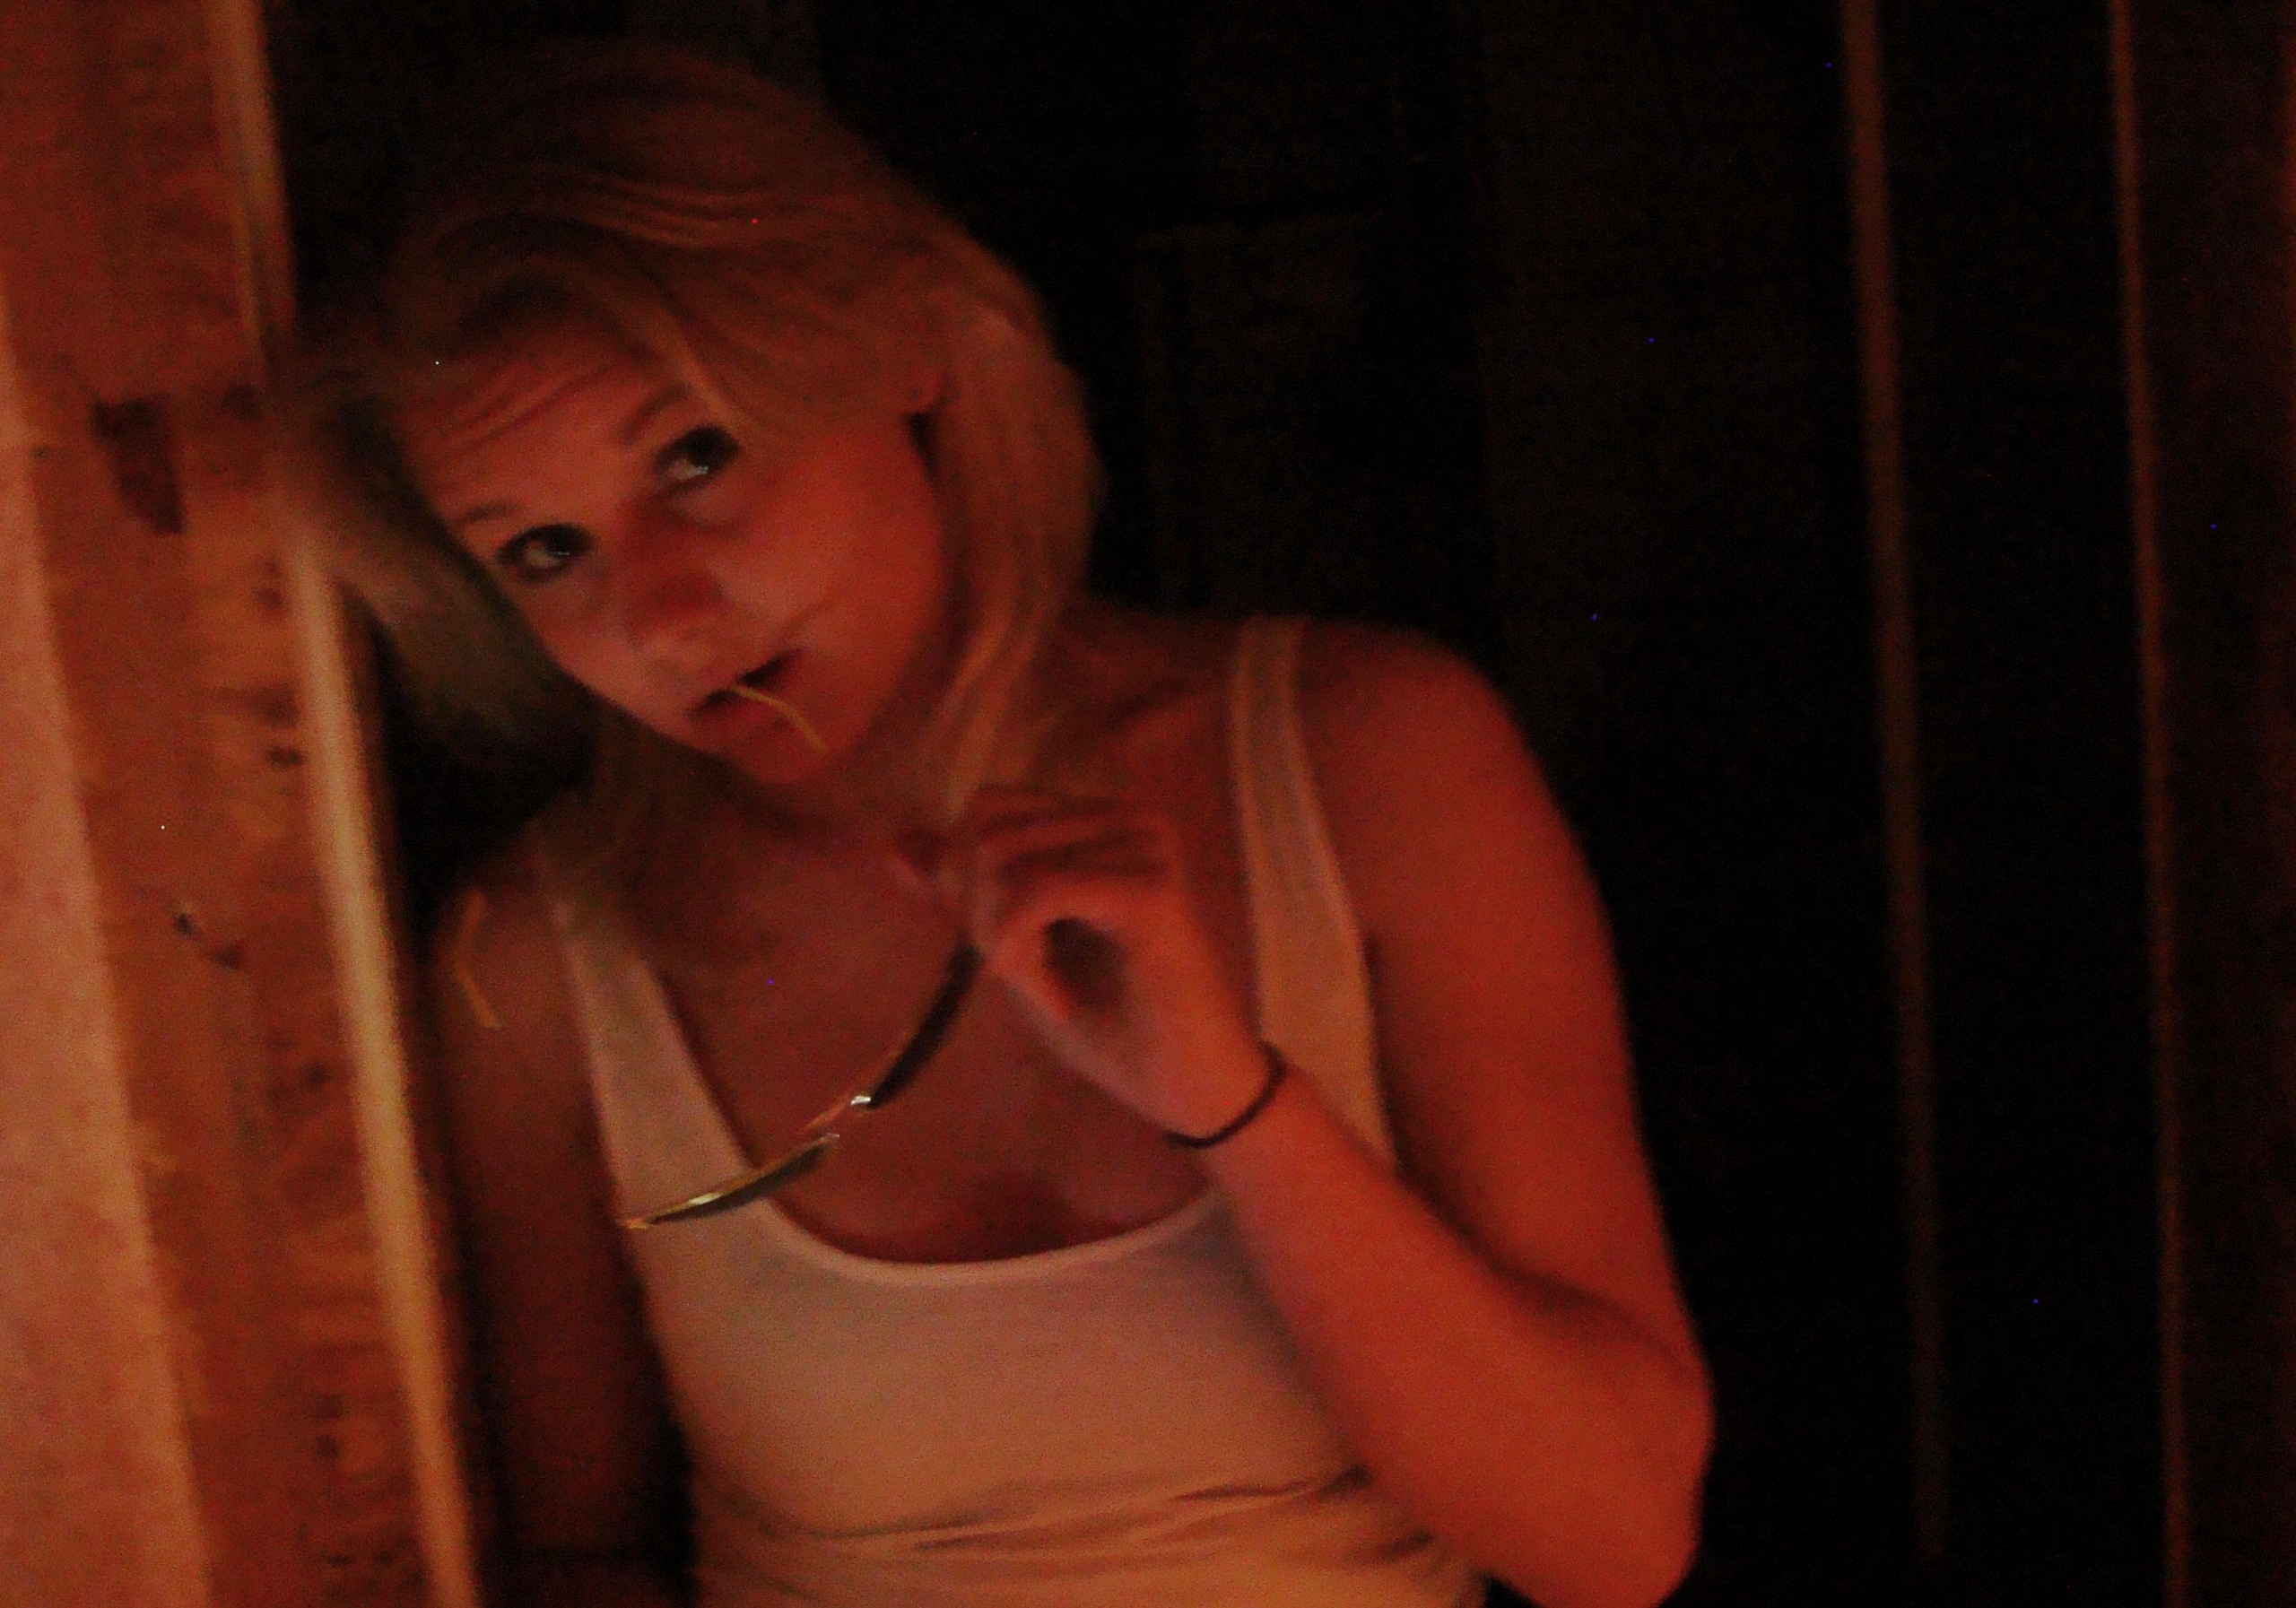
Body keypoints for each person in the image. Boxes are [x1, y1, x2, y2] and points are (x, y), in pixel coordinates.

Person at [284, 41, 1712, 1608]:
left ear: (902, 341)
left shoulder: (1373, 758)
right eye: (547, 551)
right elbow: (578, 1563)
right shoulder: (543, 964)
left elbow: (1615, 1539)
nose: (663, 615)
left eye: (695, 457)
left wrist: (1235, 1104)